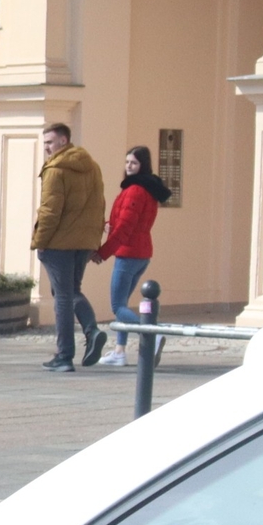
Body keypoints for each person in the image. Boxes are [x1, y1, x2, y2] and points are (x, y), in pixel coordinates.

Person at [31, 124, 106, 373]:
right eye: (45, 144)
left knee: (62, 297)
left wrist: (39, 242)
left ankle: (65, 356)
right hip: (83, 242)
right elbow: (100, 205)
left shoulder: (56, 169)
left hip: (59, 243)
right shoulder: (92, 166)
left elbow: (50, 211)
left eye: (50, 142)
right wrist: (94, 241)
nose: (47, 148)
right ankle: (91, 331)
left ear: (64, 141)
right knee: (71, 291)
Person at [93, 146, 169, 365]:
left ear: (142, 166)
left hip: (128, 254)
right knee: (123, 304)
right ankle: (119, 352)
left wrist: (103, 253)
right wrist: (111, 225)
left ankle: (151, 334)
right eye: (127, 162)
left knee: (117, 306)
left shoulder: (135, 190)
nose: (128, 166)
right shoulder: (148, 189)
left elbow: (126, 228)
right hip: (141, 253)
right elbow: (129, 224)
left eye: (133, 163)